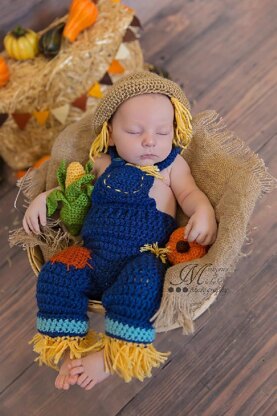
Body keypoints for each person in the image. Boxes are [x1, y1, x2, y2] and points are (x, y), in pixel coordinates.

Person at [23, 71, 217, 391]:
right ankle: (69, 349)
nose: (149, 140)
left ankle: (110, 357)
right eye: (134, 131)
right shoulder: (101, 162)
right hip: (93, 255)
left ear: (174, 131)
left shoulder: (171, 166)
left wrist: (204, 211)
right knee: (56, 274)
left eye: (161, 131)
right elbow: (73, 191)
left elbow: (190, 195)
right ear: (111, 134)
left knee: (142, 287)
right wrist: (46, 198)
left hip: (140, 260)